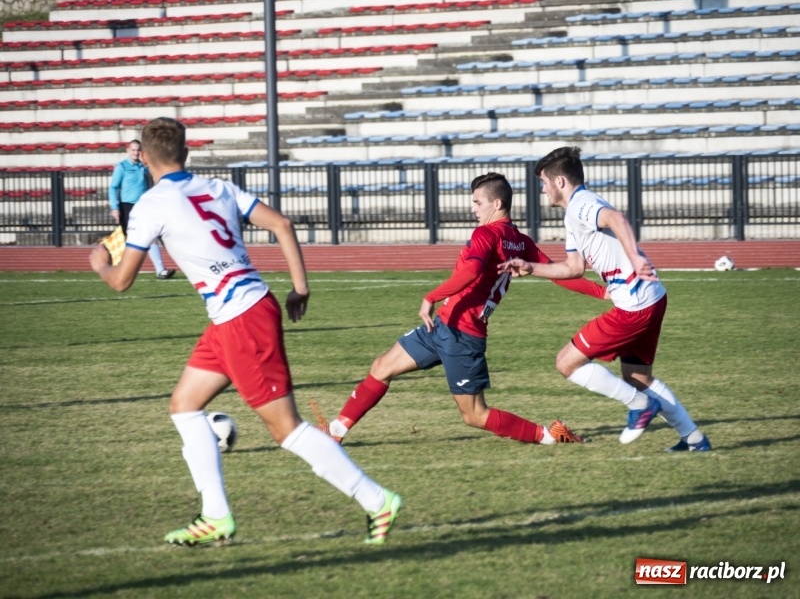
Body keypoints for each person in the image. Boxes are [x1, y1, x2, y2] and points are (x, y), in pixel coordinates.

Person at [90, 117, 402, 546]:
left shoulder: (150, 204)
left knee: (286, 428)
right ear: (187, 152)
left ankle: (376, 499)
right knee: (184, 405)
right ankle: (215, 516)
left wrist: (100, 265)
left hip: (242, 318)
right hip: (236, 314)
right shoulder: (218, 187)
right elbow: (282, 225)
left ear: (142, 158)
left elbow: (122, 280)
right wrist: (300, 288)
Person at [315, 172, 607, 447]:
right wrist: (603, 292)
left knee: (474, 415)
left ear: (497, 203)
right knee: (381, 367)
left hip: (462, 335)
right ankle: (336, 432)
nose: (473, 209)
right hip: (442, 325)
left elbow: (471, 271)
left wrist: (430, 296)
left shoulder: (486, 234)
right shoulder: (520, 241)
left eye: (477, 202)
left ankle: (549, 435)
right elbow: (559, 273)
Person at [499, 146, 711, 452]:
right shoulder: (575, 213)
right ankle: (693, 439)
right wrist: (531, 268)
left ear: (560, 182)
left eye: (544, 182)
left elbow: (615, 218)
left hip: (634, 304)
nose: (542, 189)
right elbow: (573, 268)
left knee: (566, 362)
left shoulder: (581, 204)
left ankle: (639, 406)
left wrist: (636, 258)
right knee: (637, 375)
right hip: (650, 298)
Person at [108, 139, 176, 280]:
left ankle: (160, 270)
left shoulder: (143, 167)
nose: (135, 152)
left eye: (138, 150)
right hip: (127, 206)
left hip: (143, 206)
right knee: (130, 239)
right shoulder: (122, 167)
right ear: (128, 150)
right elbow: (113, 187)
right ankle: (119, 269)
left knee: (151, 236)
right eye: (133, 150)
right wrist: (115, 207)